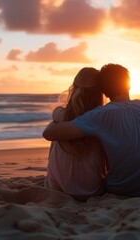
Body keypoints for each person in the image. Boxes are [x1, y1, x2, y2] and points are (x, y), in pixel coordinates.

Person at [43, 63, 140, 197]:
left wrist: (58, 115)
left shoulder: (99, 115)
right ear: (129, 84)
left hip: (119, 189)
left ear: (104, 91)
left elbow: (50, 134)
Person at [44, 67, 107, 200]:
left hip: (59, 190)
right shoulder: (102, 118)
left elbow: (54, 121)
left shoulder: (61, 114)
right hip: (93, 191)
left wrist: (57, 122)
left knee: (57, 128)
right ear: (100, 92)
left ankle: (55, 178)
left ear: (74, 87)